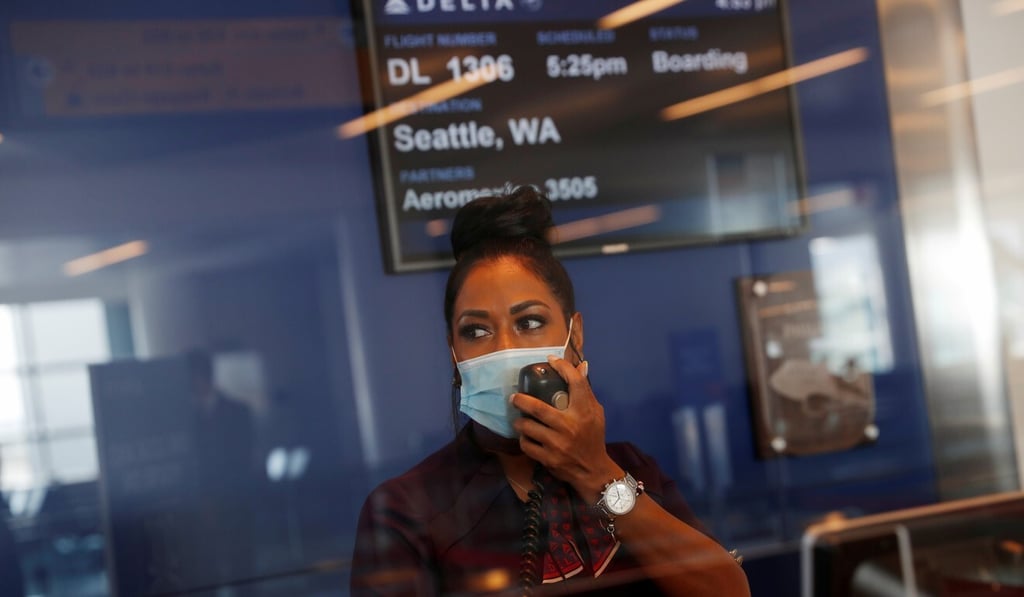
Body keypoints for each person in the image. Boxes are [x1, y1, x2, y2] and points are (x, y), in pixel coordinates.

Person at [351, 186, 750, 596]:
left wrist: (596, 473)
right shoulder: (405, 511)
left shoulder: (631, 469)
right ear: (454, 354)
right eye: (476, 330)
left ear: (574, 334)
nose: (506, 348)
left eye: (529, 323)